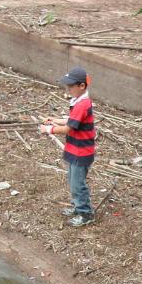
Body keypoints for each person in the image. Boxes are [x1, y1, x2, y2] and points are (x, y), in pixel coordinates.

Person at [40, 66, 96, 227]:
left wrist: (49, 129)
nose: (68, 89)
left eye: (71, 86)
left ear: (82, 86)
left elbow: (68, 128)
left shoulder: (82, 105)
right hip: (75, 149)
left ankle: (85, 213)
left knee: (78, 183)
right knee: (72, 180)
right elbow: (70, 120)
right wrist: (55, 120)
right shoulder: (78, 102)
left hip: (81, 152)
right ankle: (77, 206)